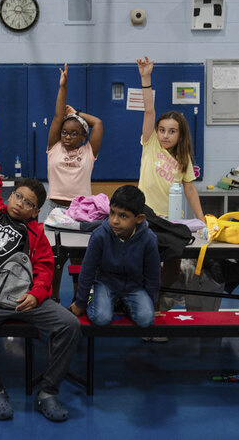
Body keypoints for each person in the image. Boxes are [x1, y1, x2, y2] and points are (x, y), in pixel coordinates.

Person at [0, 100, 81, 422]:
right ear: (9, 196)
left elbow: (44, 269)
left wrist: (37, 294)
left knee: (69, 325)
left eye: (28, 203)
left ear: (34, 211)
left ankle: (48, 392)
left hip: (24, 298)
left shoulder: (35, 233)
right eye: (17, 196)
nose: (19, 203)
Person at [137, 57, 205, 312]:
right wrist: (146, 79)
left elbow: (189, 189)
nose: (165, 135)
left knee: (174, 267)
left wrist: (202, 219)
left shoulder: (183, 158)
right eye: (162, 130)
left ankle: (154, 296)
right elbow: (149, 111)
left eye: (171, 131)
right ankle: (149, 307)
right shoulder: (150, 143)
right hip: (146, 218)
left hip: (172, 221)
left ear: (180, 134)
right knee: (152, 264)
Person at [40, 63, 104, 301]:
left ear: (82, 136)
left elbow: (97, 122)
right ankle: (53, 299)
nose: (67, 136)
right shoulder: (53, 148)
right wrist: (63, 86)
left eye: (73, 133)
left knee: (80, 261)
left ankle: (79, 301)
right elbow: (58, 116)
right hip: (55, 209)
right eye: (65, 132)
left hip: (81, 212)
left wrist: (76, 113)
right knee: (54, 262)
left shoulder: (88, 152)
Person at [68, 185, 160, 327]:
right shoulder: (100, 235)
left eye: (123, 215)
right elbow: (87, 270)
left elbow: (153, 274)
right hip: (105, 284)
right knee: (101, 318)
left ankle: (123, 304)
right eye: (112, 213)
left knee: (146, 319)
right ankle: (94, 299)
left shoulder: (148, 239)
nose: (115, 220)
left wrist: (151, 302)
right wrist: (80, 302)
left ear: (139, 218)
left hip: (134, 287)